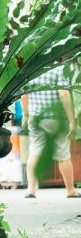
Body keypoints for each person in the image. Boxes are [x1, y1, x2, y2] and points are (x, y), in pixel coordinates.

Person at [23, 67, 78, 198]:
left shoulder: (31, 70)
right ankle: (70, 190)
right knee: (63, 154)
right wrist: (72, 121)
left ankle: (31, 190)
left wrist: (26, 115)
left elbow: (24, 95)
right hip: (56, 119)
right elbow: (64, 93)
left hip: (36, 119)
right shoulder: (58, 70)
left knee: (35, 152)